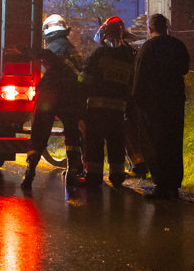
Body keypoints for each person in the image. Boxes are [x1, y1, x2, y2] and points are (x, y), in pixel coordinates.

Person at [20, 14, 85, 190]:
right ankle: (72, 170)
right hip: (70, 94)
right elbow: (81, 75)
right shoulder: (73, 50)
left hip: (49, 93)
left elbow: (47, 59)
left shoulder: (53, 48)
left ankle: (30, 170)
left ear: (47, 33)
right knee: (72, 132)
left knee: (40, 130)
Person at [131, 13, 190, 199]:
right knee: (173, 142)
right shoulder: (177, 45)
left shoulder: (147, 48)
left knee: (154, 143)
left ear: (150, 29)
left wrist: (136, 100)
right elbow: (185, 69)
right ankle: (173, 185)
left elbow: (139, 77)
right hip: (174, 102)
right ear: (166, 27)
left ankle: (161, 185)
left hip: (152, 105)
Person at [79, 16, 136, 188]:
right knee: (116, 143)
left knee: (95, 143)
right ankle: (117, 175)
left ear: (104, 35)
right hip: (118, 110)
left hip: (97, 109)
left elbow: (85, 79)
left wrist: (77, 82)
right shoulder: (127, 56)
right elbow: (131, 83)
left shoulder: (99, 54)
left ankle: (94, 176)